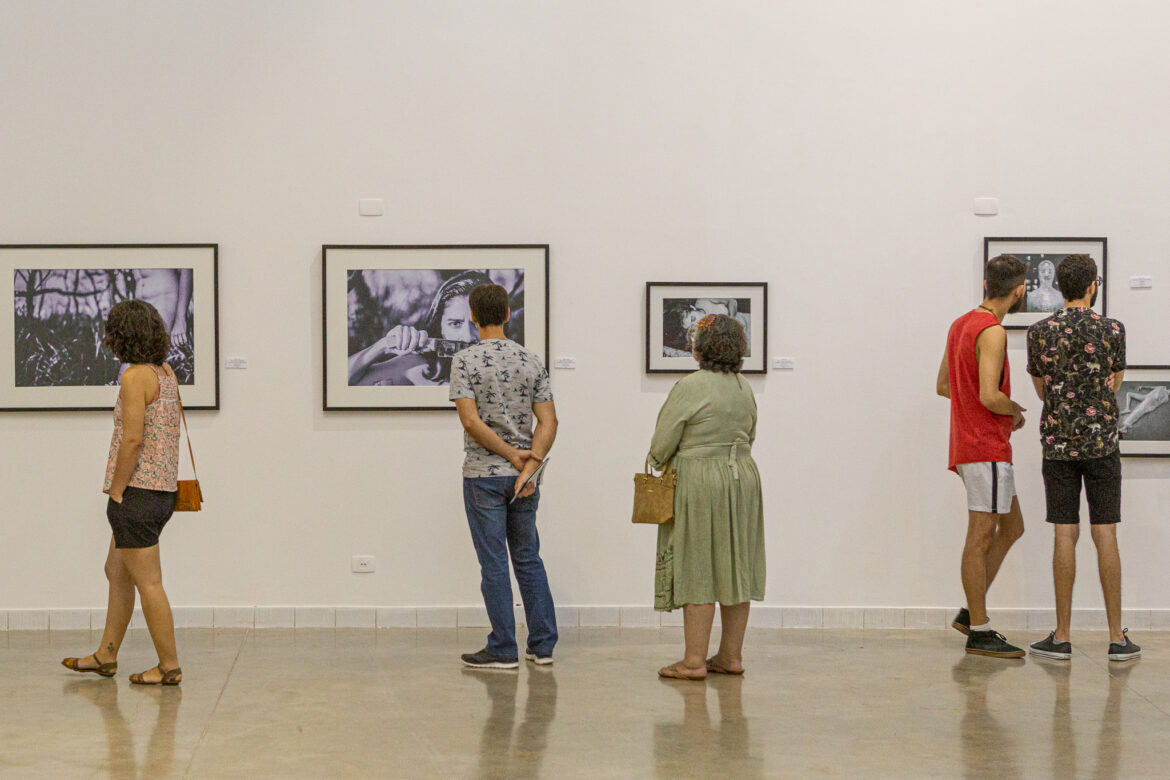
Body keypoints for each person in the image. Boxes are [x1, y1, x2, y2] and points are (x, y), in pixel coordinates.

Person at [1025, 254, 1141, 662]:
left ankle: (1061, 636)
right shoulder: (1112, 328)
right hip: (1102, 446)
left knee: (1064, 534)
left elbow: (1042, 392)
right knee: (1105, 533)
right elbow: (1115, 381)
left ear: (1060, 286)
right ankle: (1115, 637)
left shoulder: (1039, 332)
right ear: (1093, 285)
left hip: (1058, 445)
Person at [61, 300, 183, 685]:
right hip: (161, 492)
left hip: (137, 494)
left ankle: (169, 667)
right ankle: (105, 655)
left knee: (149, 582)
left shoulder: (133, 378)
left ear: (123, 335)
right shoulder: (166, 373)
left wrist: (116, 490)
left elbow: (132, 440)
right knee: (116, 570)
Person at [649, 314, 764, 681]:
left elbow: (662, 443)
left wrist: (656, 460)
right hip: (742, 477)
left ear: (701, 347)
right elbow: (751, 432)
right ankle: (730, 656)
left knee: (697, 562)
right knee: (736, 564)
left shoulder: (690, 386)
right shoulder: (743, 386)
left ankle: (694, 660)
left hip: (698, 479)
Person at [450, 283, 558, 669]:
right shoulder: (531, 361)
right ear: (509, 314)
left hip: (482, 475)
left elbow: (470, 420)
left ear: (474, 317)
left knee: (494, 563)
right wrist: (529, 465)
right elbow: (549, 421)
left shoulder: (464, 361)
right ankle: (542, 645)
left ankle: (503, 648)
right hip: (524, 477)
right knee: (528, 558)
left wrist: (511, 454)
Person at [936, 254, 1028, 658]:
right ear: (1019, 290)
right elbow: (990, 395)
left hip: (972, 444)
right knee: (981, 535)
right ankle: (979, 628)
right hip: (985, 446)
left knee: (1012, 527)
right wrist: (1015, 410)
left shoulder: (961, 324)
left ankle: (970, 612)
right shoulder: (991, 330)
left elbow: (944, 385)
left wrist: (980, 405)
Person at [348, 269, 492, 386]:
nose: (467, 336)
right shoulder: (421, 370)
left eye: (479, 323)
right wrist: (384, 345)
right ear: (440, 327)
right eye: (455, 324)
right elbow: (336, 385)